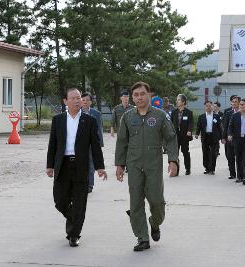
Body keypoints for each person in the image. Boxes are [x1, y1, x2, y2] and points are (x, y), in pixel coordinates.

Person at [115, 81, 178, 252]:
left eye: (142, 94)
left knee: (157, 201)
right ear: (132, 97)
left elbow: (171, 138)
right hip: (133, 165)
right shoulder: (127, 117)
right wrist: (119, 164)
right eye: (135, 95)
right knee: (135, 202)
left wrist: (173, 160)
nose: (139, 97)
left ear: (149, 95)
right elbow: (122, 142)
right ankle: (142, 237)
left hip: (153, 165)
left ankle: (154, 222)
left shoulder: (160, 115)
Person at [46, 88, 107, 247]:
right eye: (73, 98)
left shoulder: (89, 121)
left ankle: (74, 234)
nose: (77, 101)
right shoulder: (58, 120)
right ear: (65, 101)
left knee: (80, 202)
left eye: (79, 98)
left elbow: (95, 146)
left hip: (81, 166)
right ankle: (75, 217)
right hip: (63, 165)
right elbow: (52, 144)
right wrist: (50, 165)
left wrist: (100, 167)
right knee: (60, 201)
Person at [81, 92, 104, 193]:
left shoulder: (96, 114)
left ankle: (90, 184)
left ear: (91, 102)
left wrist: (100, 143)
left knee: (91, 164)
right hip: (80, 144)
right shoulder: (77, 112)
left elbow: (99, 128)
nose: (85, 102)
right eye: (83, 100)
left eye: (87, 100)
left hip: (92, 143)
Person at [195, 100, 222, 175]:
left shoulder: (216, 116)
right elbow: (198, 126)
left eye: (210, 105)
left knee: (213, 153)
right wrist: (197, 133)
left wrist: (222, 137)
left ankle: (212, 169)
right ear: (205, 107)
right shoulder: (201, 116)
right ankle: (207, 168)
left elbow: (220, 127)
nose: (208, 107)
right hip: (205, 136)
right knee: (205, 152)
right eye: (207, 106)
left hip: (214, 137)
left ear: (212, 106)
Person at [171, 94, 194, 175]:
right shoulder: (174, 112)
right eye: (177, 100)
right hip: (175, 136)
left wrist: (189, 130)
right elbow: (170, 123)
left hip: (185, 136)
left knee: (185, 152)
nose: (177, 101)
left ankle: (188, 169)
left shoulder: (188, 112)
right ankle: (175, 171)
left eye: (178, 100)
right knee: (175, 154)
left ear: (183, 102)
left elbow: (191, 123)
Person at [222, 95, 240, 180]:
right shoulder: (228, 113)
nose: (233, 103)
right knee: (230, 157)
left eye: (235, 102)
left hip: (240, 139)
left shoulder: (243, 112)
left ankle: (240, 174)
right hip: (229, 139)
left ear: (239, 103)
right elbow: (225, 126)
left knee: (239, 158)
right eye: (232, 102)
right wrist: (223, 137)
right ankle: (232, 173)